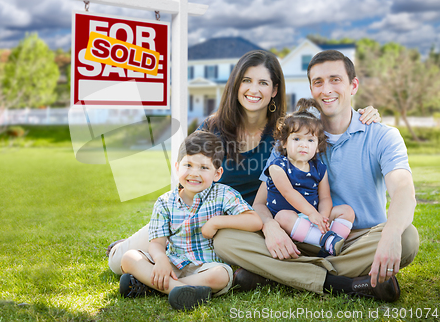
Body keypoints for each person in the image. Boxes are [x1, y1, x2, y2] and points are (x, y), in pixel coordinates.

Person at [107, 49, 380, 276]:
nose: (253, 89)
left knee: (217, 262)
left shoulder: (286, 133)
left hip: (250, 225)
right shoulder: (212, 128)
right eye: (247, 81)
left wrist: (366, 112)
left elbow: (328, 122)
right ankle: (127, 249)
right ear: (236, 84)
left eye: (263, 83)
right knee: (118, 262)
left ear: (274, 90)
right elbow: (190, 177)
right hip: (201, 216)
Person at [214, 50, 419, 303]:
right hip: (297, 235)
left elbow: (403, 191)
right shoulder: (295, 137)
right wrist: (270, 227)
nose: (327, 89)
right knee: (224, 238)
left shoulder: (382, 135)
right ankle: (344, 283)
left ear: (353, 85)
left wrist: (390, 234)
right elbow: (260, 202)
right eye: (318, 82)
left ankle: (275, 273)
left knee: (406, 237)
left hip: (353, 240)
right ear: (311, 88)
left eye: (335, 79)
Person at [119, 131, 263, 310]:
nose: (194, 173)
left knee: (222, 275)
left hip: (205, 267)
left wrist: (216, 222)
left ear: (217, 173)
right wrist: (161, 260)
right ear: (177, 167)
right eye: (188, 165)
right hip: (173, 263)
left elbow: (255, 221)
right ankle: (181, 290)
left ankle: (152, 287)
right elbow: (157, 243)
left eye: (204, 168)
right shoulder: (165, 202)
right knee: (129, 258)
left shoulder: (224, 194)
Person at [265, 98, 354, 257]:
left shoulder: (319, 168)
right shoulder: (278, 166)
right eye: (297, 138)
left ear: (318, 145)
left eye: (310, 140)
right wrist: (312, 214)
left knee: (346, 211)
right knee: (282, 216)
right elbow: (289, 193)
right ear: (284, 142)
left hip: (312, 219)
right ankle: (325, 241)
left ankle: (331, 242)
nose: (303, 144)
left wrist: (323, 218)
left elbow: (325, 197)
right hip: (289, 222)